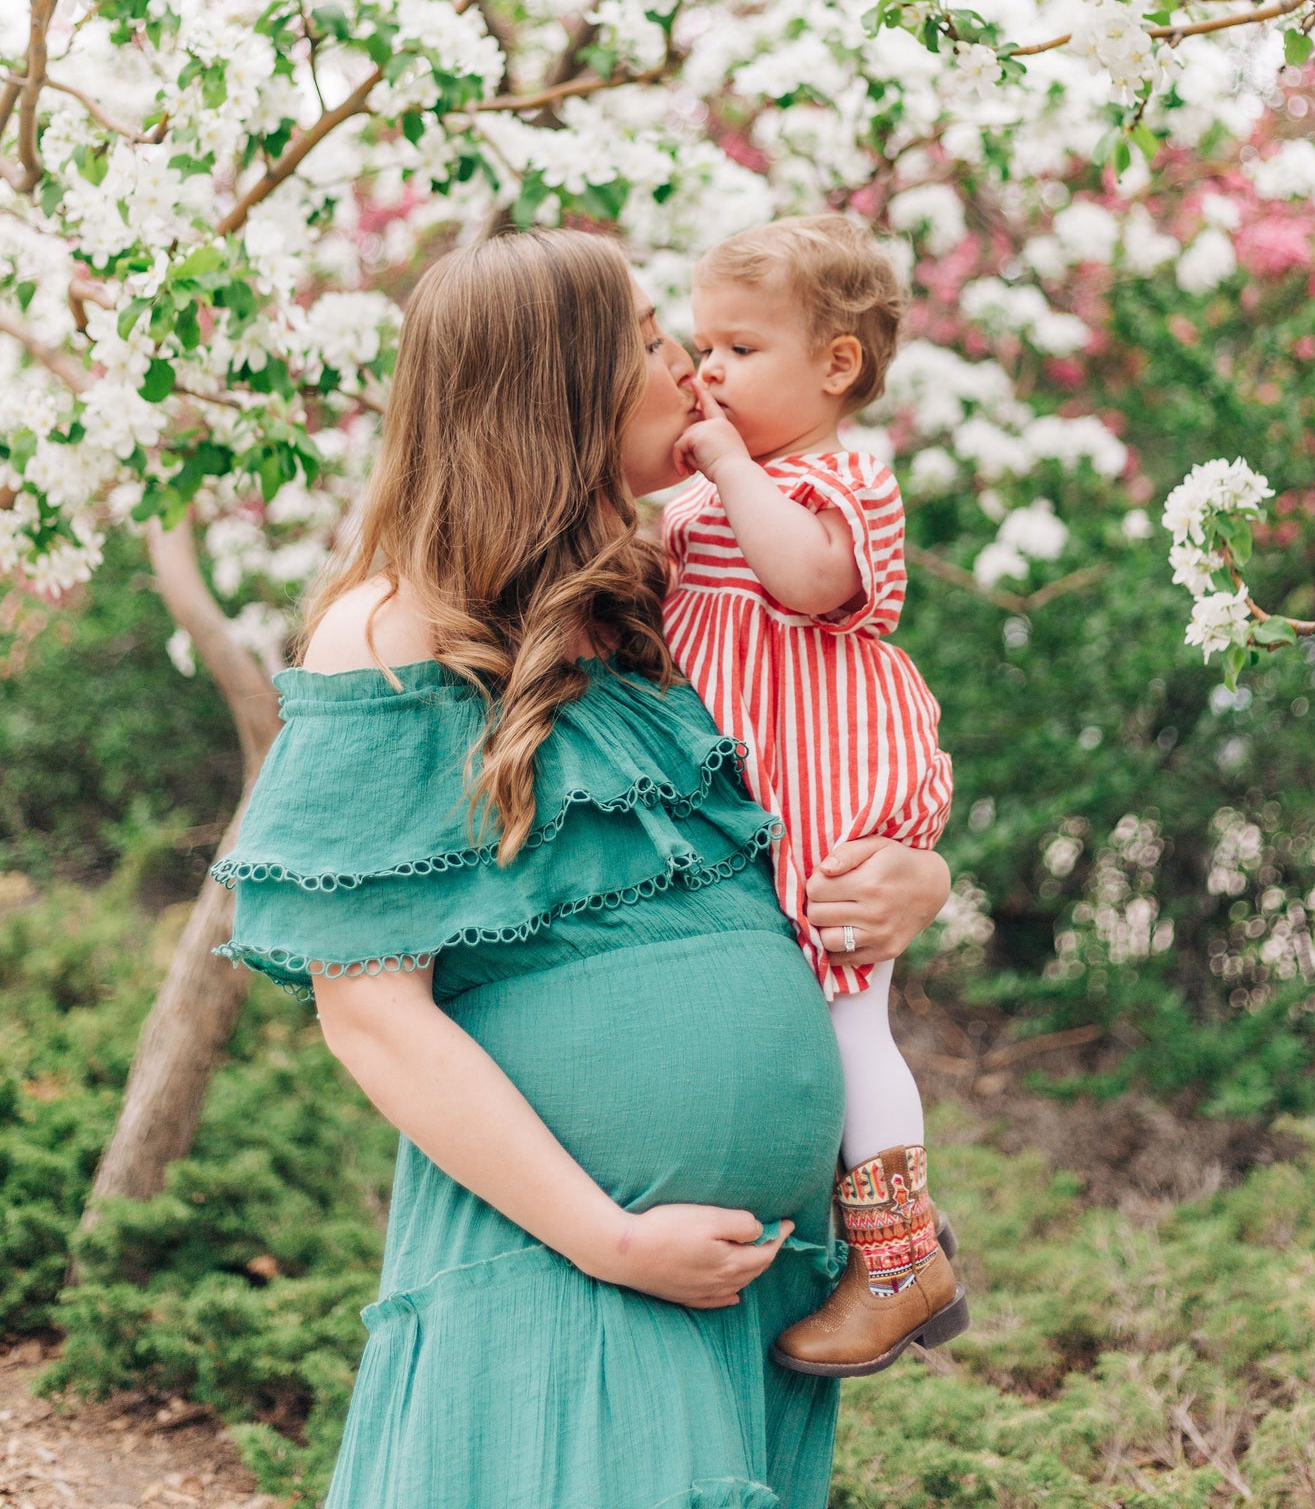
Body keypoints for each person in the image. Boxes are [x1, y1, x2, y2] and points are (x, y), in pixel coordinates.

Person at [210, 227, 951, 1509]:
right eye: (660, 342)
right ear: (561, 386)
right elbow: (370, 1009)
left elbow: (845, 742)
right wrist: (608, 1235)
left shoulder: (666, 603)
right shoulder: (391, 630)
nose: (694, 375)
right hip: (567, 1258)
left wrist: (919, 879)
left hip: (735, 1273)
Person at [664, 214, 964, 1378]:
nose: (707, 372)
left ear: (835, 365)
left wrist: (730, 467)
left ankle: (899, 1256)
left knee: (848, 1019)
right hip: (751, 797)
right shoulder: (699, 501)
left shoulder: (842, 480)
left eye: (738, 348)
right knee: (798, 1024)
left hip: (828, 794)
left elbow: (806, 583)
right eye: (700, 346)